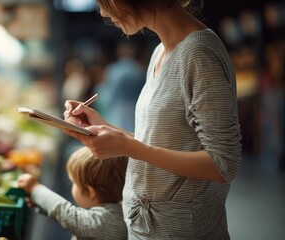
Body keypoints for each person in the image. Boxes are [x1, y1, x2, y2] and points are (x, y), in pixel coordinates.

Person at [63, 0, 242, 239]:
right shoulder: (161, 52)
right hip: (149, 227)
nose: (104, 12)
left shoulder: (199, 54)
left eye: (104, 1)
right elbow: (160, 143)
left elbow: (223, 165)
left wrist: (130, 147)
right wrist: (105, 127)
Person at [17, 146, 128, 240]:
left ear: (89, 192)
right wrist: (41, 204)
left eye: (74, 182)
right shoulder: (119, 213)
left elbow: (66, 214)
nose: (72, 186)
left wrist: (35, 189)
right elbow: (66, 218)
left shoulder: (103, 223)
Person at [95, 40, 146, 132]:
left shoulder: (113, 69)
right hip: (136, 108)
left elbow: (110, 94)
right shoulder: (140, 69)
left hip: (118, 109)